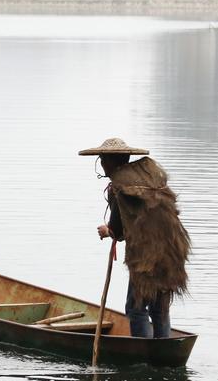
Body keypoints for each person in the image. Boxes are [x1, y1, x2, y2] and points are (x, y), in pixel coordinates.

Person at [79, 137, 191, 339]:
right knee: (160, 309)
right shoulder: (148, 178)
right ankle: (163, 351)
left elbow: (117, 229)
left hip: (146, 257)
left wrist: (107, 231)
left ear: (108, 162)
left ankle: (144, 353)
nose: (102, 164)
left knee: (136, 308)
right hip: (172, 250)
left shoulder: (118, 187)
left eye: (103, 160)